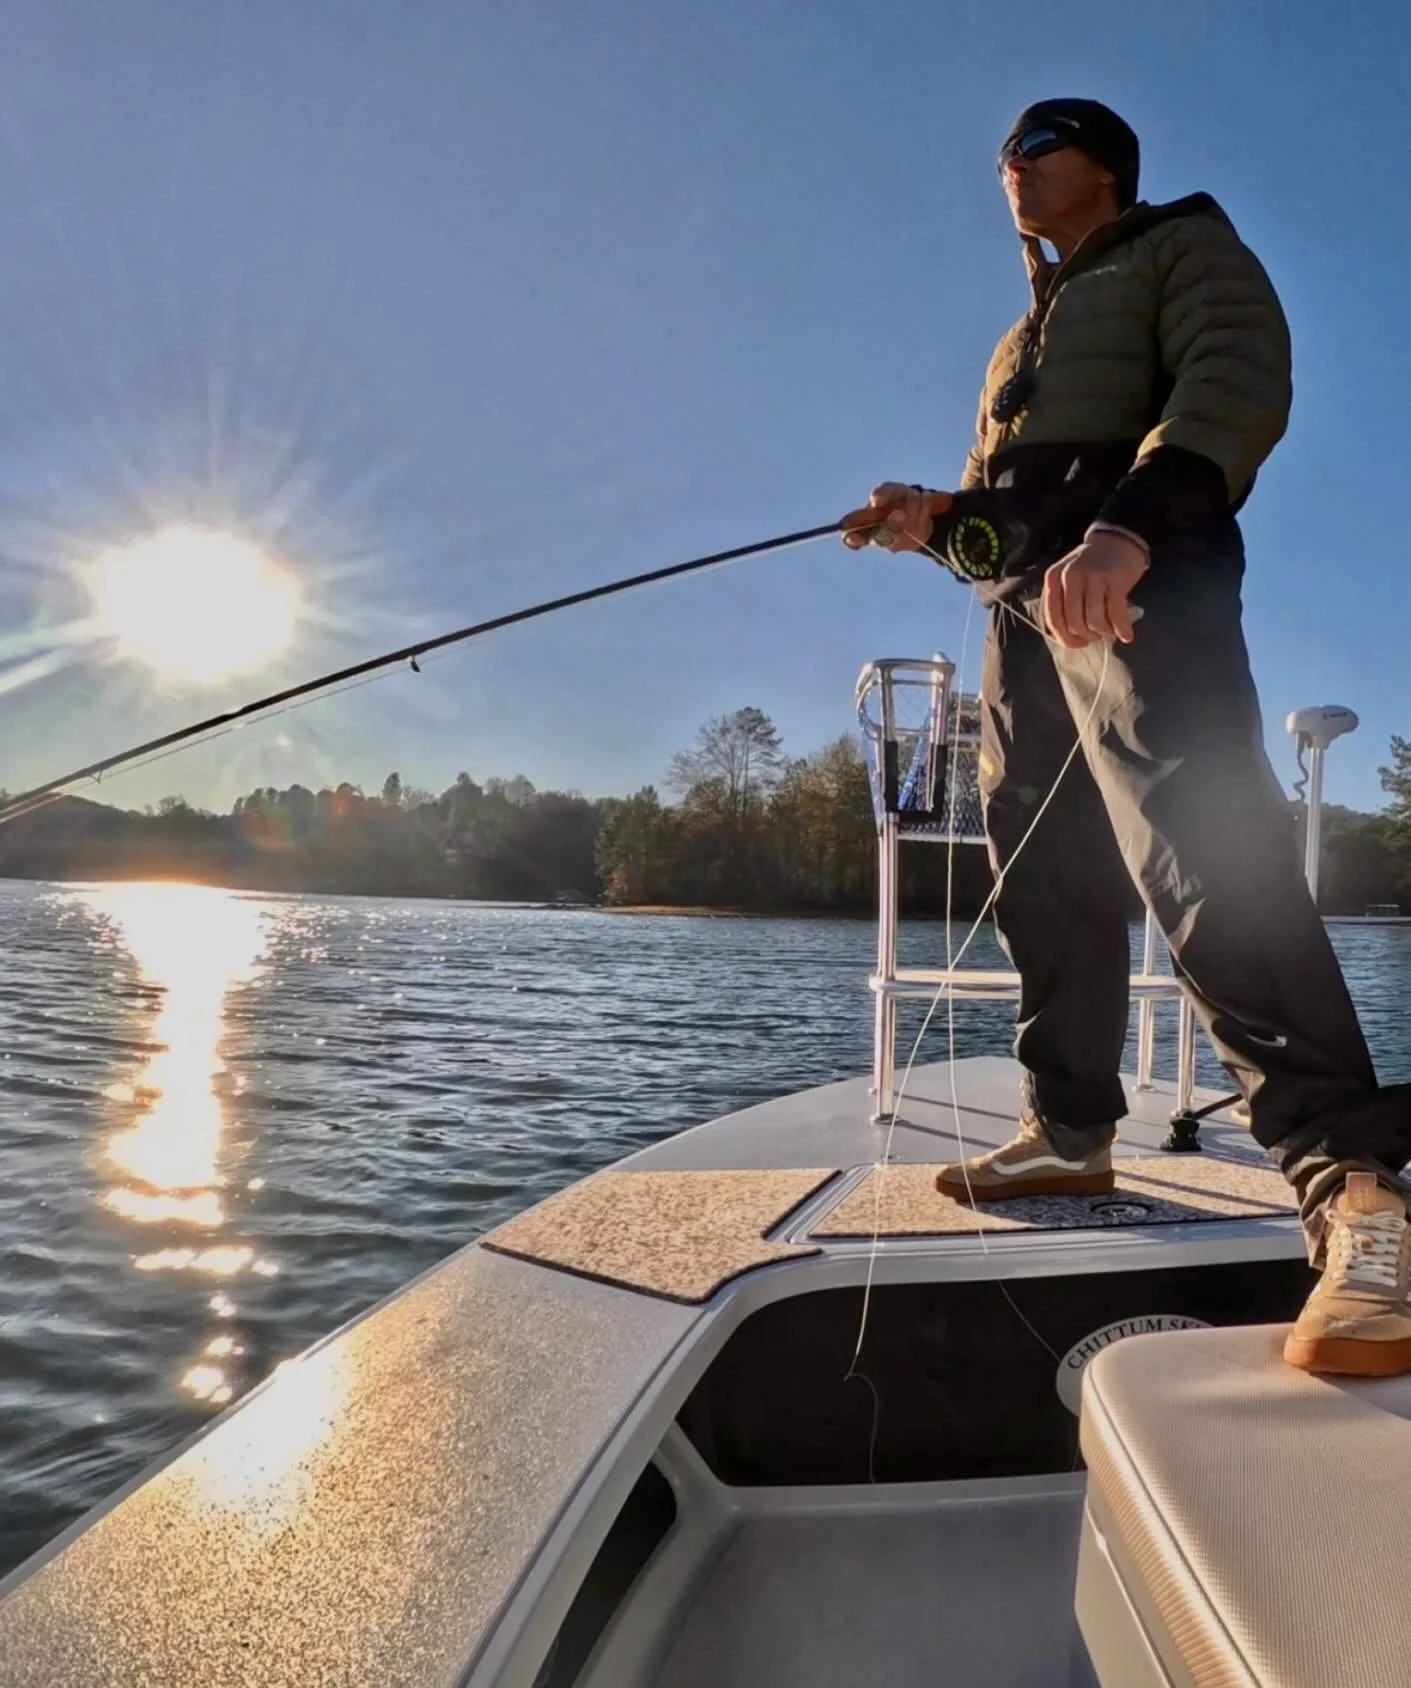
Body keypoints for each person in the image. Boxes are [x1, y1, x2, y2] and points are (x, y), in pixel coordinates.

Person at [840, 98, 1411, 1378]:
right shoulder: (1020, 335)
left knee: (1205, 856)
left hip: (1142, 586)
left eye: (1037, 142)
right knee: (1040, 870)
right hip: (1025, 620)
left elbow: (1233, 384)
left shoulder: (1182, 244)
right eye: (1003, 150)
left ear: (1105, 166)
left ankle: (1356, 1186)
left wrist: (1126, 531)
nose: (1011, 163)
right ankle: (1068, 1129)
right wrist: (929, 518)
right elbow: (1005, 515)